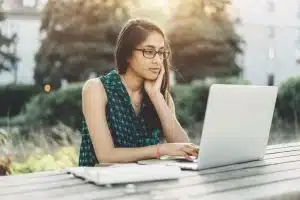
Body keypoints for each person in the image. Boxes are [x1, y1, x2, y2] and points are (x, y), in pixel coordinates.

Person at [79, 18, 198, 166]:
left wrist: (156, 96)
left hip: (146, 183)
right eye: (149, 52)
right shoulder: (97, 89)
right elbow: (105, 156)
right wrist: (160, 150)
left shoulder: (159, 95)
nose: (158, 60)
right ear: (127, 54)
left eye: (161, 52)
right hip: (99, 184)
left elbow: (184, 148)